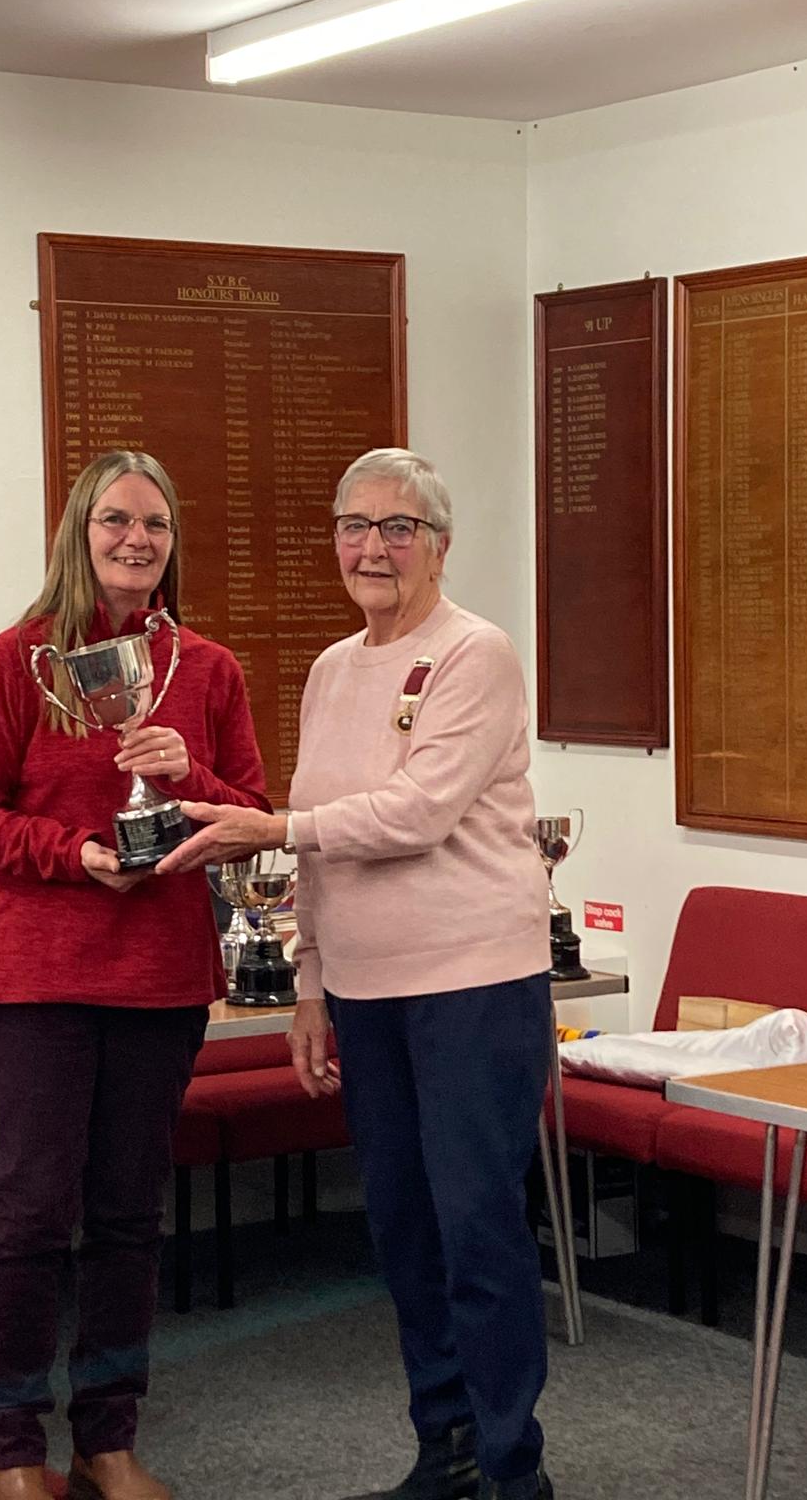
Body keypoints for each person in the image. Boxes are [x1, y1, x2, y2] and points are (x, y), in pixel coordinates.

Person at [157, 448, 554, 1500]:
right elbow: (327, 851)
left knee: (478, 1229)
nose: (373, 547)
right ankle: (448, 1453)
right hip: (369, 997)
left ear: (439, 546)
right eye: (354, 525)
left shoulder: (477, 652)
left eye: (398, 527)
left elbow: (417, 813)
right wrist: (311, 984)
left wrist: (275, 825)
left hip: (474, 983)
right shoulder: (334, 671)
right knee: (406, 1230)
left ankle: (516, 1470)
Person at [0, 450, 270, 1500]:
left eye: (156, 527)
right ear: (79, 533)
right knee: (32, 1210)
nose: (137, 541)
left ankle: (108, 1438)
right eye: (117, 522)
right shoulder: (18, 659)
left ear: (175, 545)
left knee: (130, 1213)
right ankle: (14, 1450)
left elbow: (252, 817)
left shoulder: (209, 669)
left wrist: (189, 774)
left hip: (161, 975)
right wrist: (66, 853)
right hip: (39, 974)